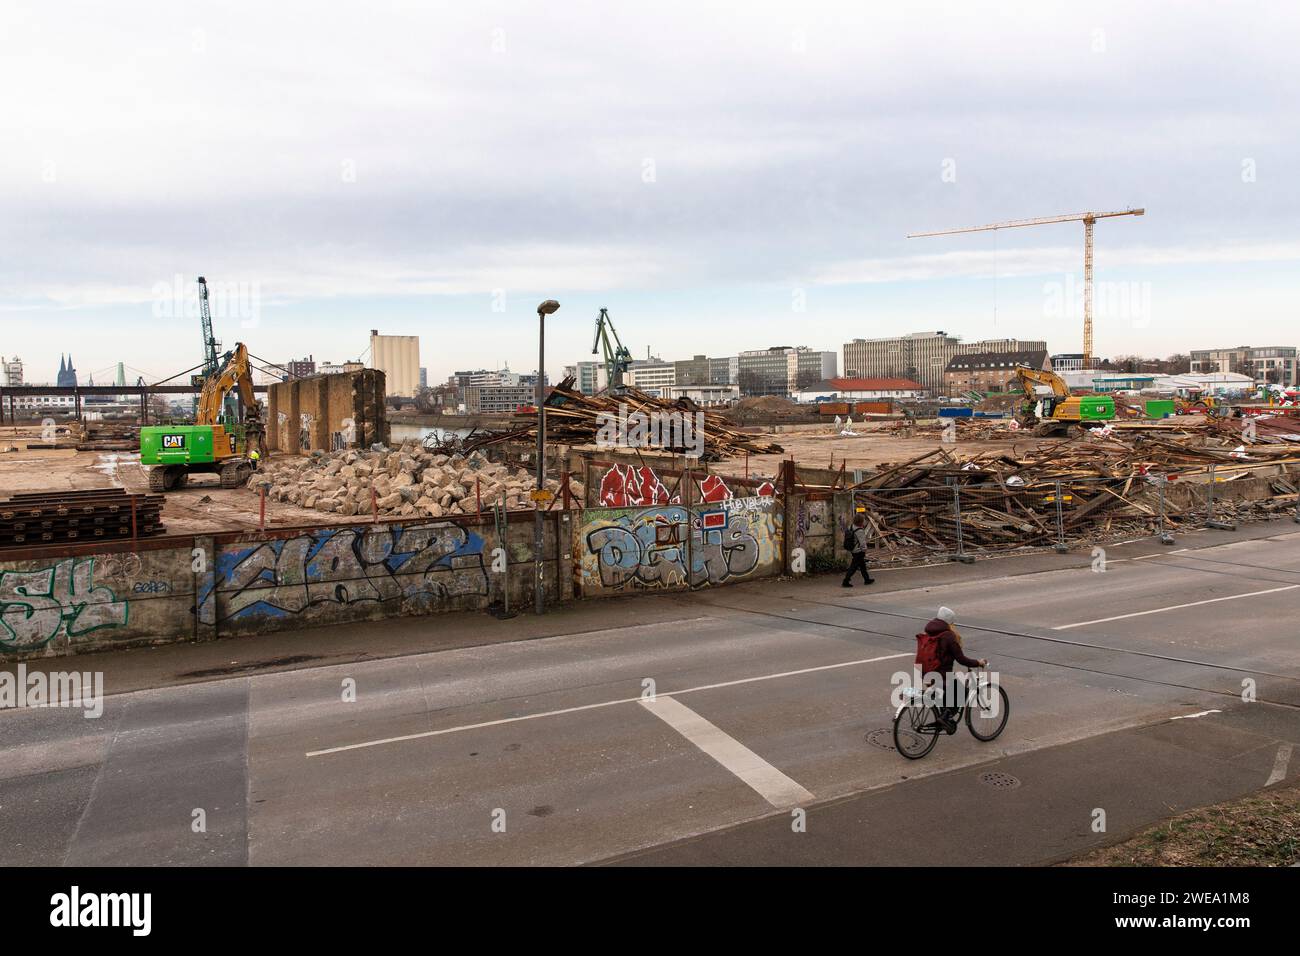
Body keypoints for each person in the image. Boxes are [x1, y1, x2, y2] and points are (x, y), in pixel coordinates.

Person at [920, 606, 987, 733]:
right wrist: (978, 662)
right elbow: (961, 659)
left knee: (948, 691)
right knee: (963, 692)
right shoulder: (948, 636)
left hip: (925, 672)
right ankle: (945, 718)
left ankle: (943, 716)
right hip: (941, 675)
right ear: (950, 622)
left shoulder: (928, 631)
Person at [841, 514, 874, 587]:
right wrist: (865, 550)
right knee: (853, 567)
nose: (864, 521)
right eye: (863, 520)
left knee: (862, 566)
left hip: (853, 549)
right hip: (858, 551)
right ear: (861, 521)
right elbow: (862, 543)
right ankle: (846, 581)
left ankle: (867, 579)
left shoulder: (851, 527)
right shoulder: (860, 531)